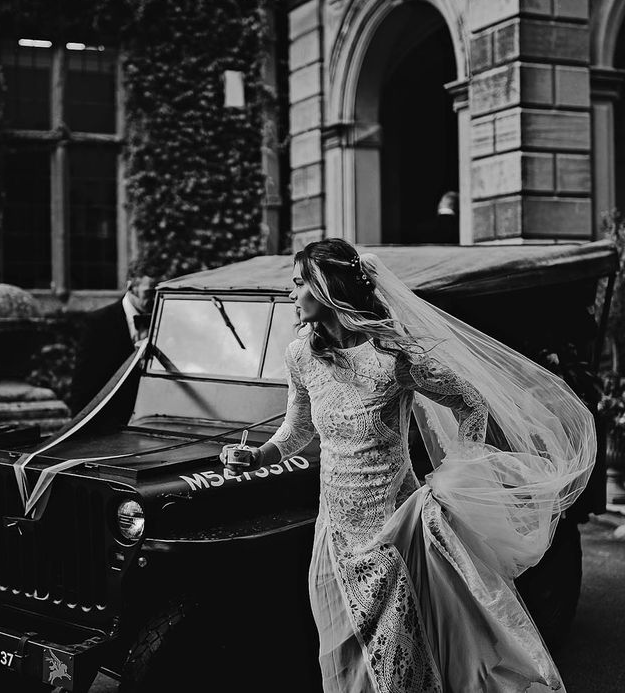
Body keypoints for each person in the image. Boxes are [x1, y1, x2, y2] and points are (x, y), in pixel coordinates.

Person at [221, 238, 595, 692]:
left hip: (395, 533)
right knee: (343, 660)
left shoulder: (391, 359)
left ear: (326, 290)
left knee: (398, 666)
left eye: (298, 283)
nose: (290, 293)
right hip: (334, 537)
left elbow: (470, 403)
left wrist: (462, 470)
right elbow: (297, 428)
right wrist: (259, 456)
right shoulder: (301, 354)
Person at [69, 273, 158, 418]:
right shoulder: (97, 323)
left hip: (153, 420)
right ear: (131, 287)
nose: (156, 299)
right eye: (150, 293)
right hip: (110, 424)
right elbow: (83, 385)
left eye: (159, 293)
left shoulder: (166, 318)